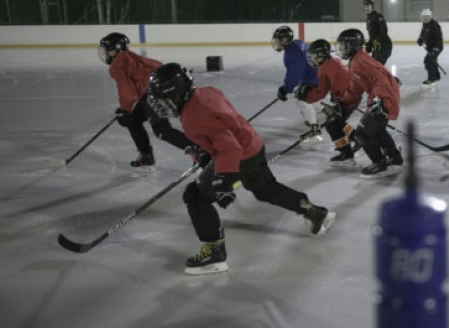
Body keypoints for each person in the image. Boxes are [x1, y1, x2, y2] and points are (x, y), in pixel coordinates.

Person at [146, 62, 335, 275]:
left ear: (176, 93)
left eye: (163, 99)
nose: (160, 106)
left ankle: (214, 252)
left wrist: (221, 180)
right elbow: (223, 127)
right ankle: (313, 211)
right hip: (252, 145)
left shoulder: (193, 117)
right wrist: (207, 152)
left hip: (236, 156)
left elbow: (229, 148)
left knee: (195, 196)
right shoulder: (205, 92)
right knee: (266, 189)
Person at [98, 32, 196, 171]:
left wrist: (124, 110)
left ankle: (199, 150)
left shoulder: (118, 64)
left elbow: (127, 91)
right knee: (133, 121)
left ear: (115, 49)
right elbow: (157, 65)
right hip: (156, 91)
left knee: (161, 129)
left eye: (107, 49)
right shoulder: (131, 56)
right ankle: (146, 156)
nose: (106, 53)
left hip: (153, 93)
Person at [336, 28, 403, 178]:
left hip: (385, 98)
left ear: (354, 45)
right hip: (381, 98)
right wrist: (345, 102)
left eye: (344, 46)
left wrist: (381, 100)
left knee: (362, 133)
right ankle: (395, 160)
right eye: (340, 45)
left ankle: (380, 163)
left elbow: (382, 78)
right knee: (378, 131)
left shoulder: (360, 60)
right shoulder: (355, 60)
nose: (341, 49)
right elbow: (356, 86)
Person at [298, 39, 363, 168]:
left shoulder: (324, 68)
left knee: (333, 123)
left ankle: (354, 144)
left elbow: (321, 92)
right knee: (333, 123)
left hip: (348, 97)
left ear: (321, 54)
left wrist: (305, 95)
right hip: (350, 95)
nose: (312, 59)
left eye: (314, 55)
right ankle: (349, 149)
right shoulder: (332, 61)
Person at [271, 25, 323, 143]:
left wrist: (285, 89)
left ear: (285, 40)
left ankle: (314, 128)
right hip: (314, 75)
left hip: (314, 77)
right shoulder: (296, 44)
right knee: (304, 95)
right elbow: (295, 72)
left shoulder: (294, 53)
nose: (277, 43)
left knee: (301, 100)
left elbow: (294, 75)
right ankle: (321, 109)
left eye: (279, 40)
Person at [416, 8, 444, 85]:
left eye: (427, 17)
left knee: (428, 61)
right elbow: (422, 33)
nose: (425, 18)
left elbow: (439, 39)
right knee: (432, 61)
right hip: (430, 47)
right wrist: (420, 39)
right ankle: (437, 76)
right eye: (423, 17)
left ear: (430, 17)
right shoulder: (424, 24)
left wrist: (435, 49)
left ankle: (431, 79)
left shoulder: (435, 25)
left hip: (437, 47)